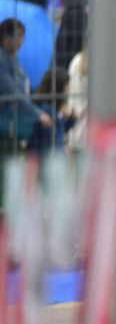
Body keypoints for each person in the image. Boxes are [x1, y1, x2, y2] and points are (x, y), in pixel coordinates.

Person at [1, 18, 51, 207]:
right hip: (7, 117)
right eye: (18, 35)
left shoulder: (13, 58)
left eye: (23, 36)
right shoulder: (2, 60)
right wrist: (37, 114)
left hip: (17, 114)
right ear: (5, 37)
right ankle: (40, 181)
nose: (21, 41)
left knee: (51, 114)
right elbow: (13, 94)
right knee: (45, 122)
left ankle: (36, 182)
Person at [27, 67, 72, 152]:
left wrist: (71, 119)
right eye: (66, 85)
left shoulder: (50, 109)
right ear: (59, 87)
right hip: (45, 161)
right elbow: (55, 140)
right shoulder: (48, 111)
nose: (69, 89)